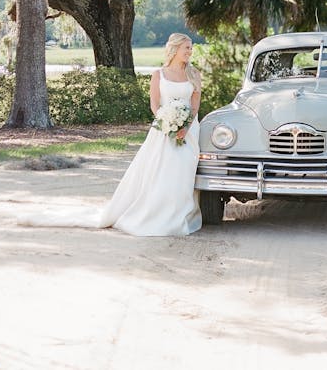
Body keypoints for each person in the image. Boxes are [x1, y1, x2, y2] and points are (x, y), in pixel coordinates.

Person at [19, 33, 202, 236]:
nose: (190, 51)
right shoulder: (159, 74)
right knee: (161, 171)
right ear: (175, 49)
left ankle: (179, 215)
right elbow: (154, 103)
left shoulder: (194, 74)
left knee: (182, 171)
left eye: (190, 47)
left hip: (189, 131)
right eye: (187, 47)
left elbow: (195, 106)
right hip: (164, 129)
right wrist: (167, 121)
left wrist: (185, 127)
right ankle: (156, 214)